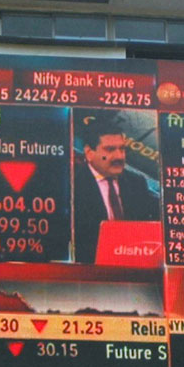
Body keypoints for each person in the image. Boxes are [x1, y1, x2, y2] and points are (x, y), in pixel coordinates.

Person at [72, 111, 160, 263]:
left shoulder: (136, 183)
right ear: (89, 153)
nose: (119, 156)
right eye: (110, 150)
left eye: (122, 149)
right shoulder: (72, 186)